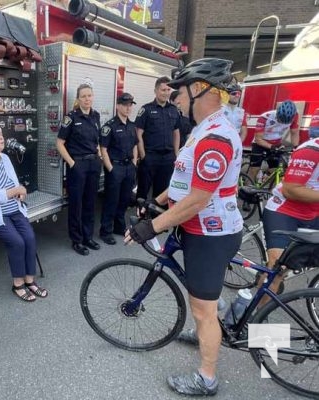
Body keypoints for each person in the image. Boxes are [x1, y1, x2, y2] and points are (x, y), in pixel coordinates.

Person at [125, 58, 243, 396]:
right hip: (198, 229)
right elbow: (182, 184)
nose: (175, 98)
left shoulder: (216, 138)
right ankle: (208, 324)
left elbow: (197, 200)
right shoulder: (202, 131)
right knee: (200, 300)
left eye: (180, 91)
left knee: (204, 311)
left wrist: (152, 226)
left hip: (211, 233)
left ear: (200, 90)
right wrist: (158, 201)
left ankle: (206, 378)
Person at [0, 123, 48, 302]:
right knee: (17, 242)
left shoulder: (4, 158)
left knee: (29, 237)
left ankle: (30, 280)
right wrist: (16, 190)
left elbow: (13, 182)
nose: (1, 137)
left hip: (14, 208)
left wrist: (20, 191)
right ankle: (18, 284)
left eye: (1, 134)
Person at [258, 135, 319, 305]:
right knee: (277, 269)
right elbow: (290, 190)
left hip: (314, 213)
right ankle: (259, 326)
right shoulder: (311, 151)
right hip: (285, 211)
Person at [57, 83, 102, 256]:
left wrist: (98, 155)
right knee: (76, 204)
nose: (87, 99)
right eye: (83, 96)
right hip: (78, 165)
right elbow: (59, 143)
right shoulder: (71, 118)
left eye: (89, 95)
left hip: (93, 164)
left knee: (90, 202)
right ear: (78, 99)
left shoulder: (96, 116)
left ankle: (87, 237)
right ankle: (76, 240)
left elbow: (96, 140)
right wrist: (72, 163)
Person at [98, 93, 139, 245]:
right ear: (118, 106)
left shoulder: (132, 125)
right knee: (111, 201)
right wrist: (110, 169)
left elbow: (135, 145)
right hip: (115, 168)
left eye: (130, 105)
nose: (128, 108)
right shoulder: (109, 127)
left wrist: (134, 163)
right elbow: (103, 149)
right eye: (125, 105)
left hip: (129, 167)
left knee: (124, 200)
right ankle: (106, 231)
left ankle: (119, 227)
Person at [135, 76, 181, 201]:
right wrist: (143, 155)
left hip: (167, 158)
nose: (166, 93)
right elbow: (138, 133)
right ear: (155, 91)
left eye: (168, 90)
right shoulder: (146, 110)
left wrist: (175, 153)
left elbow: (176, 133)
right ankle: (140, 218)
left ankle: (156, 219)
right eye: (163, 90)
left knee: (161, 194)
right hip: (150, 157)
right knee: (143, 191)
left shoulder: (174, 110)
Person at [247, 100, 300, 185]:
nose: (282, 123)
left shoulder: (294, 116)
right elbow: (258, 139)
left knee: (275, 170)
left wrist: (296, 148)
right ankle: (246, 191)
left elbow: (294, 133)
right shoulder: (264, 117)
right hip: (260, 143)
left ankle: (267, 181)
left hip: (276, 143)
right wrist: (272, 147)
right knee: (254, 169)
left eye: (285, 122)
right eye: (280, 120)